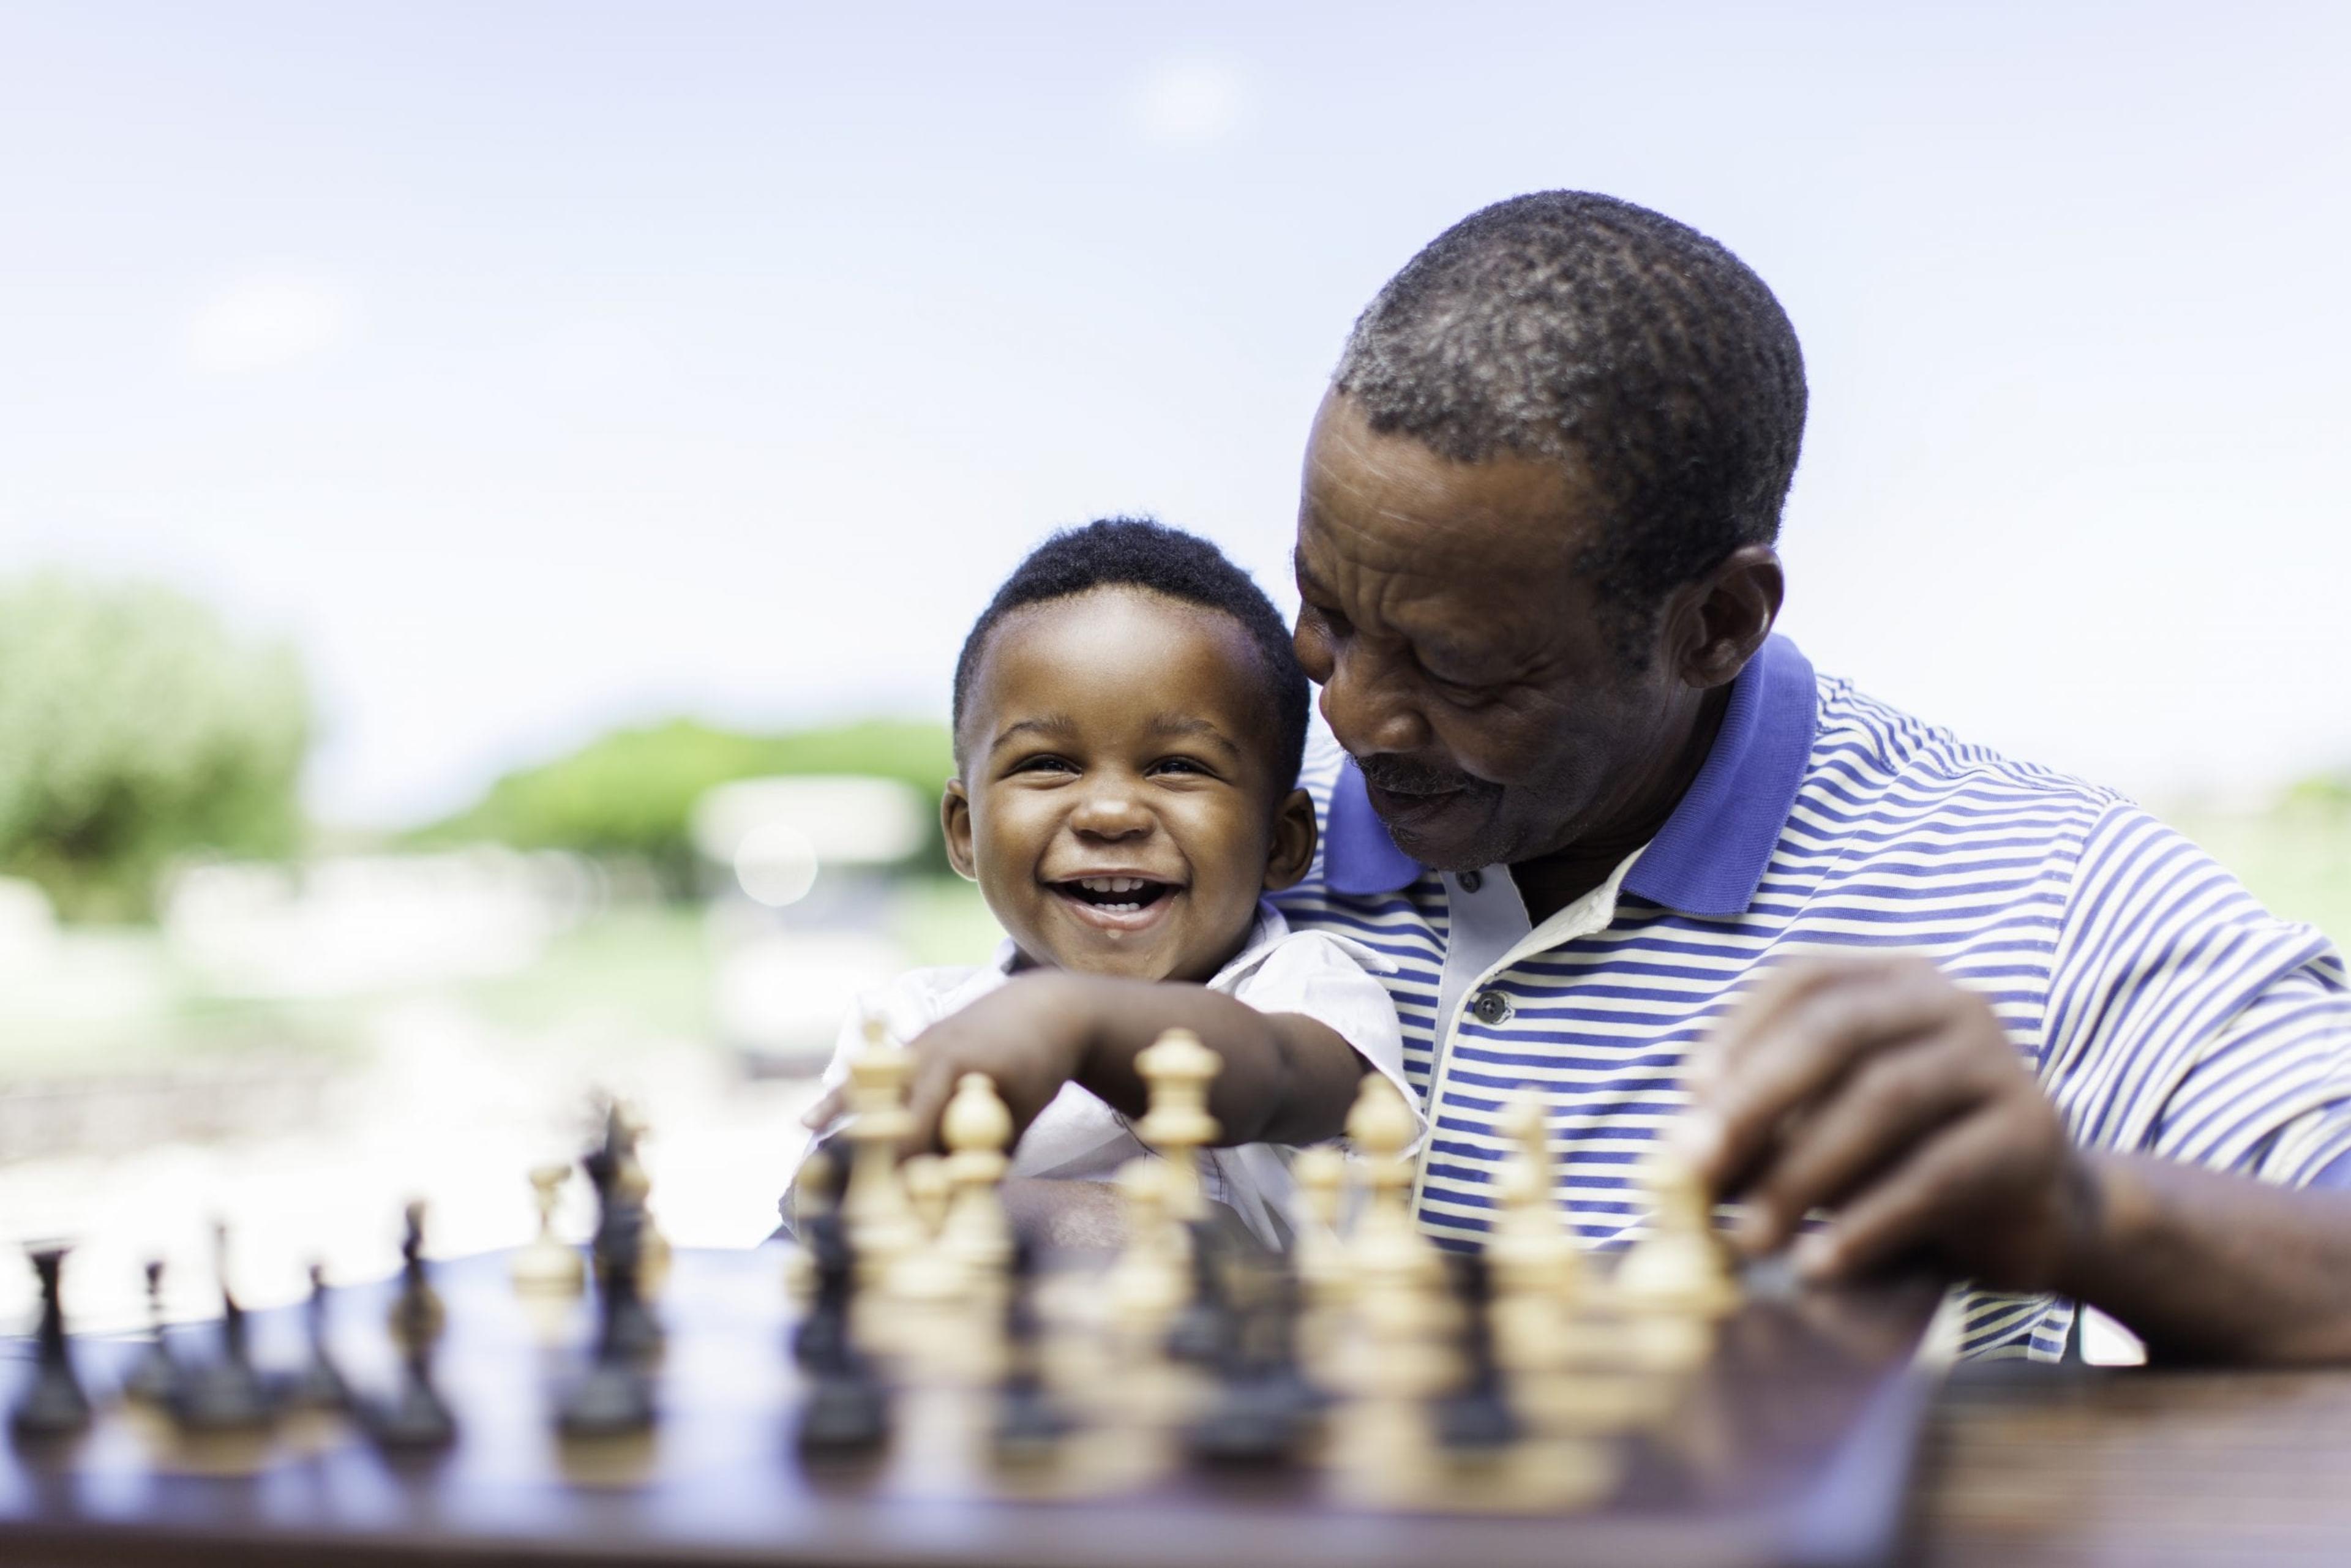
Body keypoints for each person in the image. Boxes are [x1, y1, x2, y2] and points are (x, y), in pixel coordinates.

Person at [894, 192, 2351, 1364]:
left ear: (1713, 622)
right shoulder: (1228, 821)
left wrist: (2077, 1210)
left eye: (1460, 668)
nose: (1352, 709)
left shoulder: (2039, 895)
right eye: (1324, 615)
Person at [791, 518, 1412, 1247]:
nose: (1111, 811)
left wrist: (1069, 1022)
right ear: (965, 829)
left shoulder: (1308, 989)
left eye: (1178, 765)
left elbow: (1281, 1078)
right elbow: (828, 1198)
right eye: (1046, 762)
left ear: (1283, 840)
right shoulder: (913, 1018)